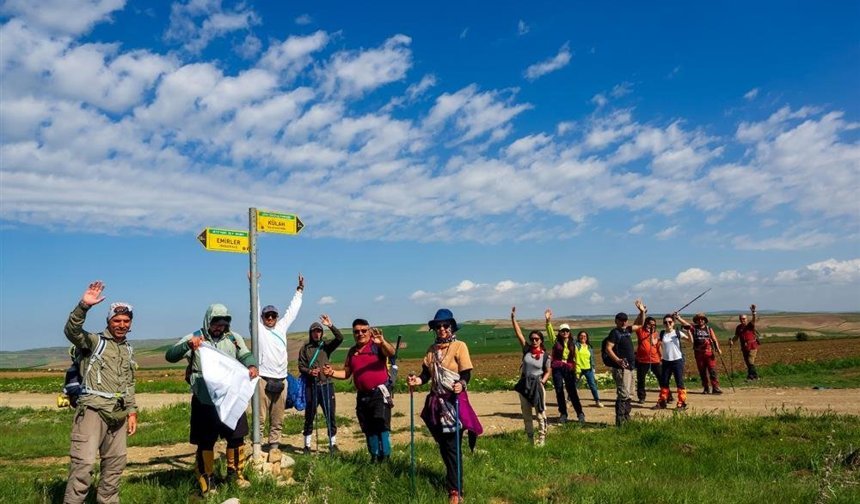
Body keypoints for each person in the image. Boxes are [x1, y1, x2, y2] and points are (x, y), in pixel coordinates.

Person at [164, 303, 259, 495]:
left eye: (223, 324)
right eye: (216, 324)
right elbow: (170, 356)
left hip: (230, 398)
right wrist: (187, 345)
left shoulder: (233, 338)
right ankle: (207, 479)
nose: (219, 328)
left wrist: (251, 365)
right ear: (208, 321)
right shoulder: (195, 338)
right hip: (204, 399)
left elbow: (246, 354)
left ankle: (236, 475)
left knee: (236, 437)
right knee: (205, 441)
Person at [63, 281, 138, 504]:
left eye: (126, 321)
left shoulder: (128, 349)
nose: (121, 324)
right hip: (93, 411)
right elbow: (72, 331)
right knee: (83, 466)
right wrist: (83, 306)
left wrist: (132, 411)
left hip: (119, 415)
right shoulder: (95, 342)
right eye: (117, 320)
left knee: (115, 466)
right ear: (109, 321)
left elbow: (128, 382)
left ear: (131, 323)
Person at [407, 309, 483, 504]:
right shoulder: (431, 350)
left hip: (453, 403)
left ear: (451, 327)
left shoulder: (459, 346)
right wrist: (417, 380)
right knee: (444, 445)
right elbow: (426, 375)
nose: (441, 329)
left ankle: (455, 490)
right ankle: (453, 479)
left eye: (445, 326)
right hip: (435, 403)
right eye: (438, 326)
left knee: (451, 447)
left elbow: (466, 373)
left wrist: (462, 384)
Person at [324, 319, 396, 462]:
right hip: (362, 395)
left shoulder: (376, 346)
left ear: (369, 331)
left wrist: (382, 342)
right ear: (353, 333)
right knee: (368, 427)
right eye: (357, 331)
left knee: (381, 425)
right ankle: (374, 457)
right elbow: (346, 373)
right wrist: (332, 373)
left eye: (364, 330)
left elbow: (391, 353)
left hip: (379, 393)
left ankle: (386, 458)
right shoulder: (352, 352)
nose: (360, 334)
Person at [256, 274, 304, 452]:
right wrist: (255, 284)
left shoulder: (281, 327)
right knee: (260, 418)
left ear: (277, 317)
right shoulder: (258, 329)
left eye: (273, 315)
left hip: (281, 379)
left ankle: (274, 447)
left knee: (278, 418)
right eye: (267, 315)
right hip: (263, 379)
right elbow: (254, 307)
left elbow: (292, 311)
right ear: (262, 317)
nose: (270, 318)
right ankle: (257, 448)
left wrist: (299, 291)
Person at [297, 315, 344, 453]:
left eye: (319, 331)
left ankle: (332, 444)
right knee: (309, 415)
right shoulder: (305, 348)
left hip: (326, 385)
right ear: (310, 333)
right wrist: (310, 372)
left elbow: (340, 338)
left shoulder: (326, 346)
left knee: (330, 414)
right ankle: (307, 445)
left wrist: (330, 325)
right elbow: (301, 366)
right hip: (311, 386)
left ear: (321, 333)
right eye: (314, 331)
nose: (317, 333)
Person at [511, 307, 551, 446]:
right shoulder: (526, 350)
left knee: (540, 413)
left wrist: (543, 381)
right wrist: (513, 319)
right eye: (532, 339)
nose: (534, 341)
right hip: (524, 384)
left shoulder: (546, 355)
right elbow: (519, 334)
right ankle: (530, 440)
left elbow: (548, 370)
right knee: (526, 413)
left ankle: (542, 439)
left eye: (536, 339)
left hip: (537, 385)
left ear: (541, 340)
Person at [602, 301, 645, 426]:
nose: (624, 322)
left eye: (625, 320)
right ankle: (620, 421)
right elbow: (608, 348)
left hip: (631, 367)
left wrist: (642, 312)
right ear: (616, 321)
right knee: (623, 394)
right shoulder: (615, 333)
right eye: (621, 320)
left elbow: (640, 324)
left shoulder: (627, 330)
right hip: (621, 368)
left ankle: (626, 417)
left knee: (629, 394)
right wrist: (618, 360)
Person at [544, 309, 586, 424]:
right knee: (559, 390)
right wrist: (548, 321)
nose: (565, 332)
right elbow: (550, 332)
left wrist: (577, 372)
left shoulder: (574, 344)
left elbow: (576, 359)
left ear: (569, 332)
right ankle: (563, 413)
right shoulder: (555, 342)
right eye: (563, 330)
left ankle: (580, 413)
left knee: (572, 391)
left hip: (569, 368)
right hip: (557, 368)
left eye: (567, 330)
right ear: (560, 332)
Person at [654, 313, 692, 410]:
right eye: (665, 322)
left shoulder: (678, 333)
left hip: (677, 361)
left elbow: (691, 341)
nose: (668, 324)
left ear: (673, 323)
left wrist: (681, 320)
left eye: (670, 322)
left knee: (679, 382)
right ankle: (662, 401)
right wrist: (651, 331)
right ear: (663, 323)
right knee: (664, 383)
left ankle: (681, 403)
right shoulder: (662, 333)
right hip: (666, 361)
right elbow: (653, 343)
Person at [683, 312, 722, 394]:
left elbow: (714, 339)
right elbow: (685, 324)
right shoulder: (694, 328)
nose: (700, 320)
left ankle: (715, 387)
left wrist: (718, 349)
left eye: (702, 319)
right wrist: (678, 318)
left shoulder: (708, 328)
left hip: (709, 353)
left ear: (704, 320)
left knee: (712, 371)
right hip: (698, 353)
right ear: (696, 321)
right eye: (698, 319)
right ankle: (706, 388)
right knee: (702, 371)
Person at [635, 314, 663, 404]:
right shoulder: (641, 331)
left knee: (661, 378)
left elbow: (658, 346)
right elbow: (637, 323)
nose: (652, 326)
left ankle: (667, 395)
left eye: (654, 325)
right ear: (646, 324)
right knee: (641, 380)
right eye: (650, 324)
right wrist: (642, 313)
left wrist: (661, 356)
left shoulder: (656, 333)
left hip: (655, 359)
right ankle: (641, 397)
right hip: (642, 360)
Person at [573, 330, 603, 407]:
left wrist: (593, 368)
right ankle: (569, 401)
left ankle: (597, 401)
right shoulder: (576, 345)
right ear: (578, 337)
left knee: (593, 385)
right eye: (581, 336)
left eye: (585, 336)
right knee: (574, 385)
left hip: (588, 369)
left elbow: (591, 358)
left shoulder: (589, 347)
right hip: (578, 369)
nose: (583, 337)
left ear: (587, 338)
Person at [731, 304, 760, 380]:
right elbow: (736, 336)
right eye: (741, 319)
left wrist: (753, 312)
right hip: (744, 347)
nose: (742, 320)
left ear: (747, 319)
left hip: (752, 346)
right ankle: (755, 376)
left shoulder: (750, 325)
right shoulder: (739, 327)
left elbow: (754, 320)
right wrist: (732, 341)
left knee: (750, 361)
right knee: (748, 363)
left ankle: (750, 376)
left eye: (744, 319)